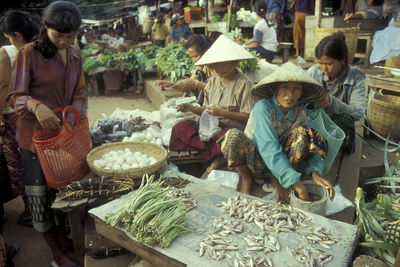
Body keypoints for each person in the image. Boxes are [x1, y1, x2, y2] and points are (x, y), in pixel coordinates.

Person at [8, 1, 86, 266]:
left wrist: (72, 117)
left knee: (64, 192)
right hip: (34, 141)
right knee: (40, 197)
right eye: (58, 36)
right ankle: (56, 254)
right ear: (46, 29)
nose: (65, 41)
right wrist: (36, 106)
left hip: (64, 138)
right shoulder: (28, 54)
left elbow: (80, 93)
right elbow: (15, 97)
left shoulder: (75, 54)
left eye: (71, 36)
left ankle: (64, 238)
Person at [218, 62, 335, 203]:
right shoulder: (264, 107)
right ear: (275, 89)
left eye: (296, 89)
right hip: (257, 160)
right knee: (232, 136)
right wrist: (298, 186)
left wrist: (315, 173)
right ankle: (247, 178)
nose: (290, 94)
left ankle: (280, 177)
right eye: (285, 87)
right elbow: (268, 147)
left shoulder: (300, 110)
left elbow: (314, 140)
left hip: (285, 163)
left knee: (306, 132)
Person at [169, 35, 255, 174]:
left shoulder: (243, 83)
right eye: (216, 64)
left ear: (235, 62)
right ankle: (218, 155)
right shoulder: (213, 81)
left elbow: (249, 117)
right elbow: (207, 110)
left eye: (224, 64)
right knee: (180, 128)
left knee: (229, 137)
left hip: (230, 131)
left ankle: (221, 157)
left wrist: (224, 113)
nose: (219, 68)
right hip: (212, 128)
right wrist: (191, 108)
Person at [0, 10, 42, 228]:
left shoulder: (8, 52)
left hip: (15, 119)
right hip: (41, 114)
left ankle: (29, 210)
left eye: (8, 36)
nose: (7, 40)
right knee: (42, 160)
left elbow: (3, 87)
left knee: (18, 164)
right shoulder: (43, 47)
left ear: (16, 35)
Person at [307, 32, 366, 153]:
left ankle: (321, 148)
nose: (324, 69)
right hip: (314, 120)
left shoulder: (357, 77)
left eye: (329, 64)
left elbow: (358, 113)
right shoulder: (313, 72)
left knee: (345, 120)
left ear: (343, 60)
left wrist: (332, 103)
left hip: (336, 124)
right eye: (320, 63)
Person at [155, 34, 214, 105]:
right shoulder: (200, 68)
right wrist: (171, 85)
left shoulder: (218, 68)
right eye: (191, 57)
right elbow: (187, 88)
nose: (194, 60)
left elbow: (216, 90)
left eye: (196, 56)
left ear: (207, 52)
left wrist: (196, 83)